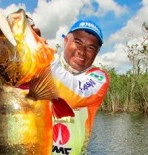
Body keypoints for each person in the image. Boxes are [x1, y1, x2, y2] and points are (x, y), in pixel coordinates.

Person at [28, 16, 109, 154]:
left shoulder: (99, 78)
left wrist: (41, 52)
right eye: (77, 42)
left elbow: (75, 94)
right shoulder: (41, 67)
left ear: (97, 53)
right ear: (66, 41)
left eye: (91, 47)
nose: (82, 51)